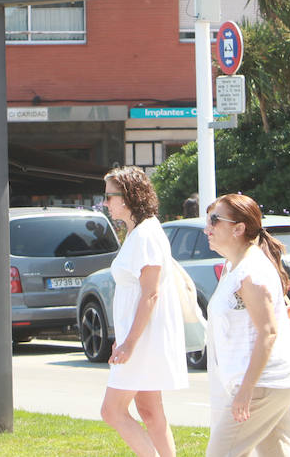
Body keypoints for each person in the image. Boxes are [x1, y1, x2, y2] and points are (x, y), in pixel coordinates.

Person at [203, 192, 290, 457]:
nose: (207, 229)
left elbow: (268, 333)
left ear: (238, 228)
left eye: (215, 221)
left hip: (262, 385)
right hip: (264, 385)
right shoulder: (235, 267)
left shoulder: (251, 272)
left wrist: (246, 390)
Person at [99, 166, 187, 457]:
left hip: (145, 338)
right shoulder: (139, 232)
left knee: (112, 411)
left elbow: (150, 294)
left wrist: (129, 343)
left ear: (127, 197)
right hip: (139, 335)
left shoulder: (146, 234)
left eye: (109, 196)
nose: (105, 202)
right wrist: (124, 338)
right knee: (149, 409)